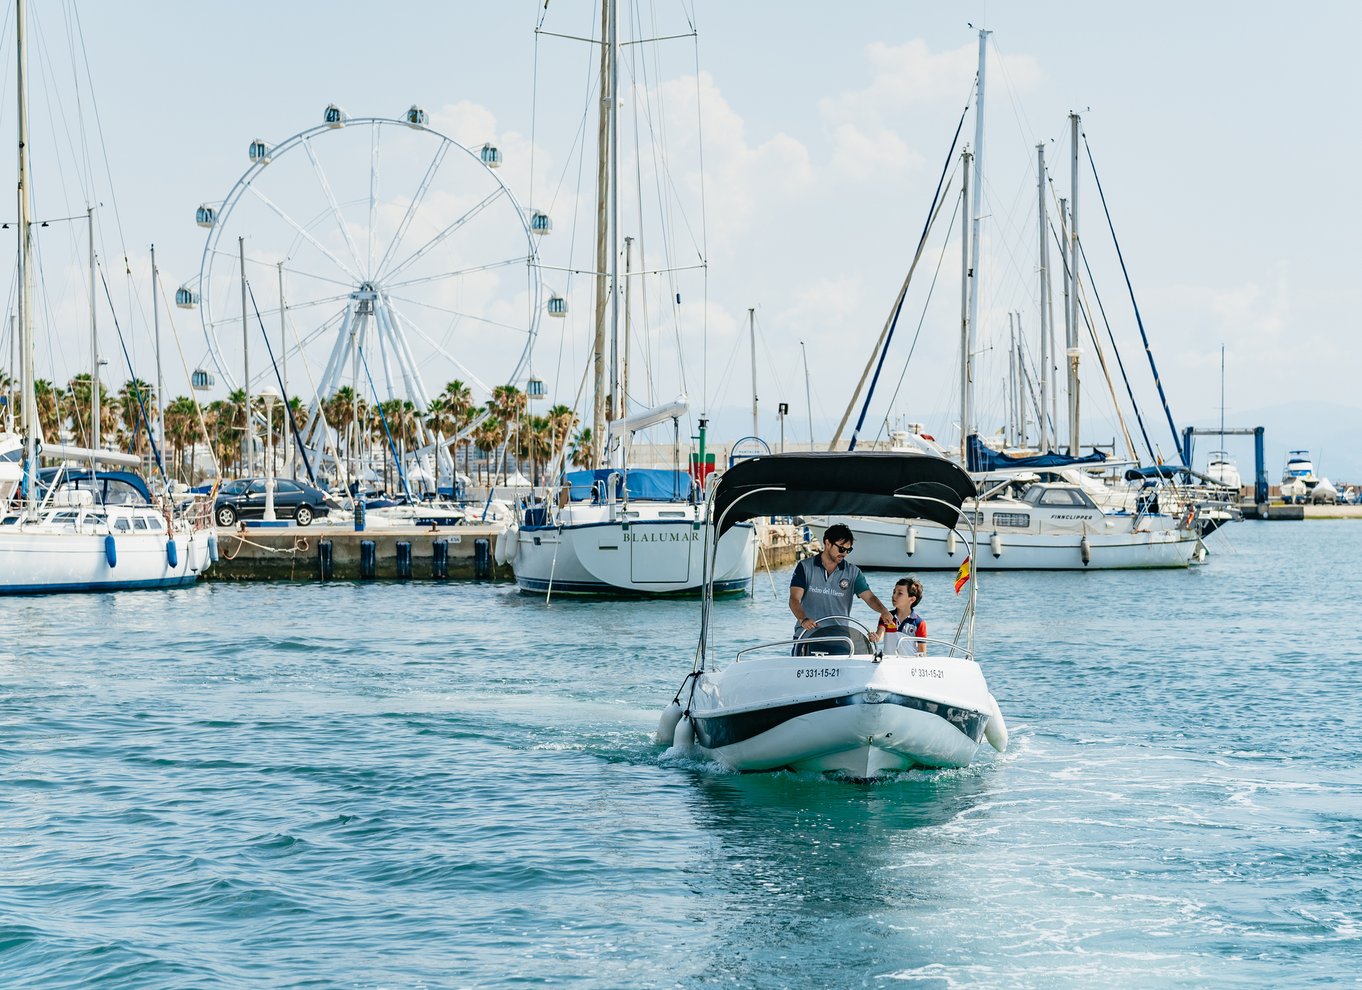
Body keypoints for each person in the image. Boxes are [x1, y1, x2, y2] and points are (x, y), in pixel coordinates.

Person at [789, 523, 894, 647]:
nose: (844, 553)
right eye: (841, 549)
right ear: (827, 543)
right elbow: (794, 599)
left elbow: (870, 598)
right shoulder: (805, 567)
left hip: (840, 639)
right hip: (807, 635)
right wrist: (803, 619)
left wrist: (883, 611)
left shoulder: (853, 572)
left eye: (848, 550)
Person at [878, 576, 927, 655]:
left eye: (899, 593)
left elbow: (922, 652)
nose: (894, 596)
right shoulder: (886, 616)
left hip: (909, 665)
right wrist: (875, 637)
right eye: (894, 592)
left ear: (912, 599)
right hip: (889, 664)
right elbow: (879, 635)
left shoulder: (919, 623)